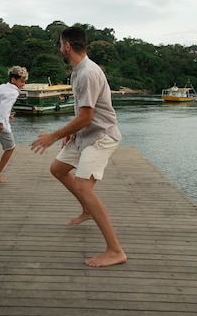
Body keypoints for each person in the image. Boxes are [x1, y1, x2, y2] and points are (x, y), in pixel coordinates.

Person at [31, 27, 127, 268]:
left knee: (84, 186)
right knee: (58, 168)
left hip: (102, 136)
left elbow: (86, 116)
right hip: (85, 133)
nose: (59, 48)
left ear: (67, 46)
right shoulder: (77, 72)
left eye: (59, 44)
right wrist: (71, 132)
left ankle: (115, 250)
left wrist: (54, 135)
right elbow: (83, 116)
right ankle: (87, 209)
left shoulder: (87, 73)